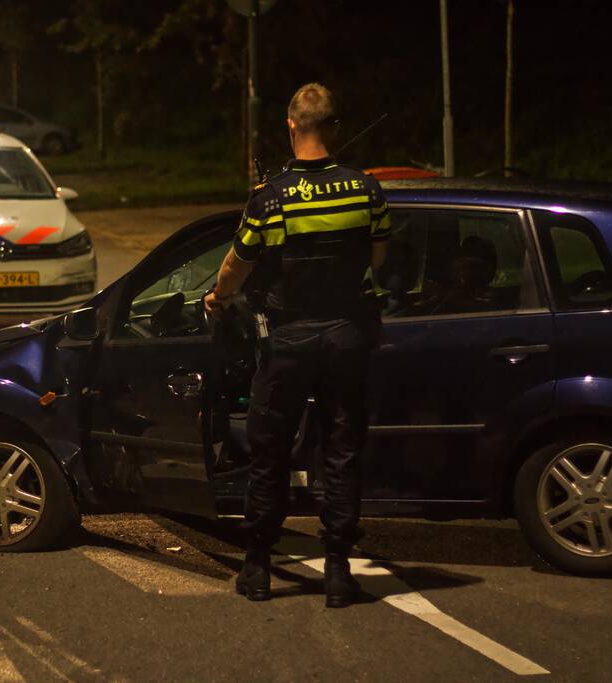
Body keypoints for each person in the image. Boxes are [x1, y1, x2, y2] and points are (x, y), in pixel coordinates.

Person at [204, 83, 390, 607]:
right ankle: (336, 572)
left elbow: (237, 265)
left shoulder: (272, 196)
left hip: (287, 341)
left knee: (269, 452)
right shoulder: (366, 189)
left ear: (291, 125)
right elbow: (377, 261)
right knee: (342, 449)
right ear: (335, 126)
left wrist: (217, 298)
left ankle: (259, 568)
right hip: (346, 339)